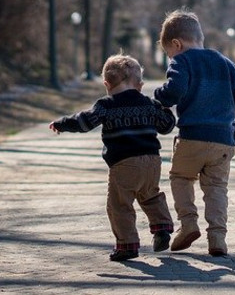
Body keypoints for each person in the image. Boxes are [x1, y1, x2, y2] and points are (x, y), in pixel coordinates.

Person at [49, 53, 176, 262]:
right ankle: (162, 228)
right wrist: (167, 110)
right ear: (140, 85)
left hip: (124, 163)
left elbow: (84, 122)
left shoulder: (105, 105)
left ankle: (127, 245)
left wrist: (63, 124)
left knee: (119, 204)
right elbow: (166, 126)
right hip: (152, 161)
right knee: (151, 195)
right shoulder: (148, 103)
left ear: (107, 84)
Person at [154, 8, 235, 257]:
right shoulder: (226, 63)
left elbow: (174, 91)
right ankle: (217, 238)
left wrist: (159, 96)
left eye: (168, 53)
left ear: (177, 44)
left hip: (192, 137)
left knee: (181, 178)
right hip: (222, 140)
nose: (170, 57)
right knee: (217, 187)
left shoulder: (181, 61)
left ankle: (188, 224)